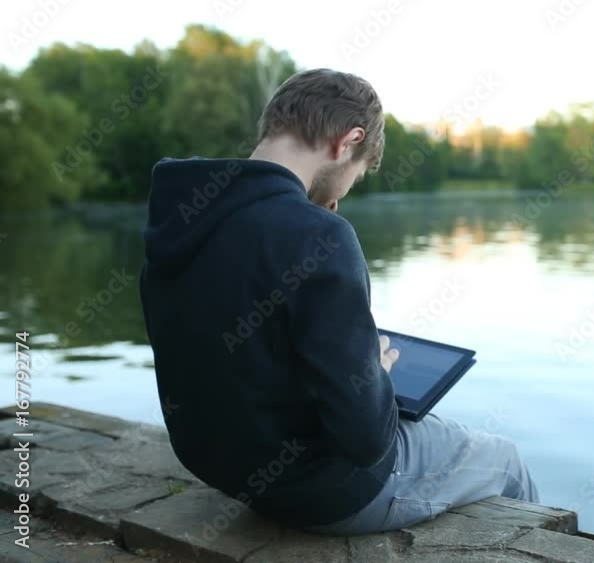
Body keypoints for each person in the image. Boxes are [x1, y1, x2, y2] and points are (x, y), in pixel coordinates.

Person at [139, 68, 538, 535]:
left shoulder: (182, 217)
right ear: (347, 141)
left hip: (230, 475)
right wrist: (377, 376)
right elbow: (367, 439)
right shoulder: (318, 236)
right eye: (358, 172)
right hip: (322, 491)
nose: (345, 193)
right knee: (504, 459)